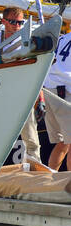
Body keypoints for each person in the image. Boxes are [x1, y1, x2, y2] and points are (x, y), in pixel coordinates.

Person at [43, 30, 71, 170]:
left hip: (49, 90)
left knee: (63, 144)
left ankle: (50, 180)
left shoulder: (61, 39)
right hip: (65, 91)